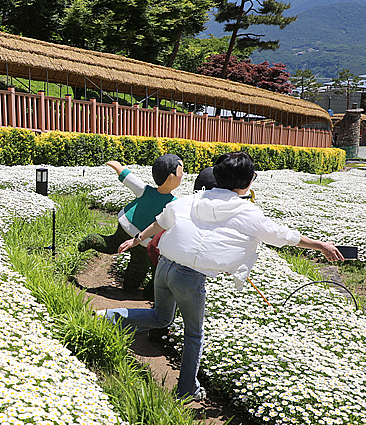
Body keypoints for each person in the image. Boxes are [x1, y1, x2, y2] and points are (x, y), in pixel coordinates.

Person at [97, 152, 344, 401]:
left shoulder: (190, 200)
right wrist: (321, 245)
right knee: (193, 334)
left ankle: (103, 318)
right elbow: (283, 236)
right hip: (190, 278)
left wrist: (136, 239)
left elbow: (161, 221)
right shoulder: (248, 212)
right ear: (249, 182)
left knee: (161, 317)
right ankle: (187, 389)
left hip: (164, 265)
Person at [78, 154, 184, 292]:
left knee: (112, 244)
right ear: (171, 177)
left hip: (127, 225)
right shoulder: (173, 203)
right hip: (144, 240)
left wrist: (118, 166)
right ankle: (132, 287)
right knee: (140, 264)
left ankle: (92, 240)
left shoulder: (146, 191)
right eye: (181, 173)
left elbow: (130, 179)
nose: (182, 176)